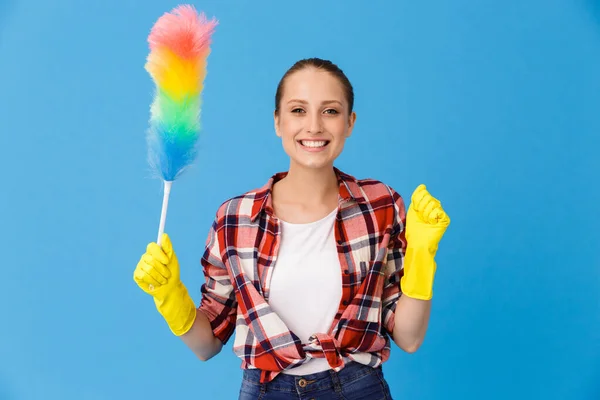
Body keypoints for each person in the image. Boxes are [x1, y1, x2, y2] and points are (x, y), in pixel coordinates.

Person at [133, 57, 451, 399]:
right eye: (298, 110)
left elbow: (409, 338)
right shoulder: (235, 218)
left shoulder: (381, 206)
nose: (313, 126)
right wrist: (170, 297)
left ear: (350, 122)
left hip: (358, 388)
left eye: (330, 111)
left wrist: (421, 254)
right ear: (277, 121)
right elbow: (206, 345)